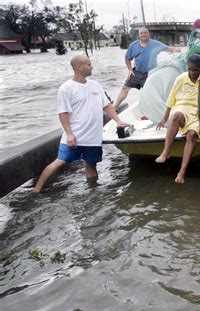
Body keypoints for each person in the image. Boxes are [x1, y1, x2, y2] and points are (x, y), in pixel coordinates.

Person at [33, 55, 126, 193]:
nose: (92, 66)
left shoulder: (95, 85)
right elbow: (63, 113)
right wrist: (69, 134)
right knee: (59, 162)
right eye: (88, 64)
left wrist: (118, 121)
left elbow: (107, 106)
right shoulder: (66, 88)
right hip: (74, 136)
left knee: (92, 165)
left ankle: (92, 192)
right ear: (79, 67)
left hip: (93, 138)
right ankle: (36, 191)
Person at [155, 54, 200, 184]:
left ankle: (182, 171)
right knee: (176, 116)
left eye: (195, 70)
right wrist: (164, 118)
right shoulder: (180, 78)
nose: (192, 72)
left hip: (197, 113)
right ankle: (166, 151)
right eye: (189, 69)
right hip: (182, 109)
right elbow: (171, 100)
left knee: (191, 135)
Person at [114, 27, 180, 109]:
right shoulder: (133, 45)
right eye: (141, 33)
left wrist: (176, 49)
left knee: (151, 94)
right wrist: (129, 69)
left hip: (150, 74)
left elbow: (168, 48)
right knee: (125, 88)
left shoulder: (156, 44)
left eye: (145, 32)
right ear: (139, 35)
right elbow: (127, 58)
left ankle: (159, 110)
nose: (143, 34)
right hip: (136, 72)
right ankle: (114, 107)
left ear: (148, 34)